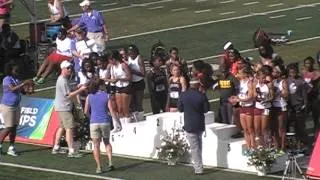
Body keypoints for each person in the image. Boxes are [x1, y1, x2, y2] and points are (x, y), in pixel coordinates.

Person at [52, 60, 87, 158]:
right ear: (63, 69)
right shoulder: (62, 80)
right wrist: (80, 90)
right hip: (64, 107)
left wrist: (76, 88)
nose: (70, 69)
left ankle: (56, 147)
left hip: (61, 106)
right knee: (69, 128)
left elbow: (69, 91)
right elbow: (68, 95)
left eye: (70, 68)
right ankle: (71, 150)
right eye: (68, 68)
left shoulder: (63, 79)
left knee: (62, 127)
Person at [0, 61, 33, 157]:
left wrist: (29, 89)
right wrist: (24, 84)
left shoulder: (16, 80)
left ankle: (11, 147)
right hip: (7, 106)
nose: (17, 71)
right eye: (15, 69)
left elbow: (22, 91)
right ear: (10, 70)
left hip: (16, 105)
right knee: (8, 127)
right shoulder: (7, 79)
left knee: (14, 127)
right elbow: (11, 89)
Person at [178, 78, 210, 175]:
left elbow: (180, 109)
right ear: (197, 86)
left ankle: (198, 168)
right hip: (199, 123)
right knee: (198, 146)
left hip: (189, 124)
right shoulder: (201, 96)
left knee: (195, 147)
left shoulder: (184, 95)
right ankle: (199, 165)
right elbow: (206, 109)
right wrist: (204, 94)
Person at [84, 78, 114, 174]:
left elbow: (85, 111)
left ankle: (98, 166)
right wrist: (117, 122)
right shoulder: (107, 96)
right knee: (107, 142)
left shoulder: (89, 96)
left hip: (94, 122)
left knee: (96, 145)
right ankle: (110, 162)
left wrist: (91, 118)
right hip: (105, 121)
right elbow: (111, 110)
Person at [287, 63, 309, 152]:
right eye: (291, 72)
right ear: (289, 73)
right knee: (293, 127)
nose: (293, 74)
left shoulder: (301, 81)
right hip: (291, 107)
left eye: (294, 72)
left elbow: (305, 95)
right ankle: (295, 145)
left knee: (300, 127)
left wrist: (305, 104)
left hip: (299, 106)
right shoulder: (287, 81)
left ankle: (304, 145)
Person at [106, 50, 131, 125]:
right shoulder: (112, 67)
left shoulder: (123, 65)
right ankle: (123, 126)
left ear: (114, 59)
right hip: (118, 87)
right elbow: (109, 77)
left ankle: (128, 127)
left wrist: (119, 79)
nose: (109, 61)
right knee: (119, 109)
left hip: (125, 87)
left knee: (125, 109)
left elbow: (129, 77)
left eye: (110, 60)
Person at [253, 65, 274, 146]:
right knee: (257, 128)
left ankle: (267, 145)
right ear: (258, 77)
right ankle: (260, 146)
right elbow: (254, 95)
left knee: (264, 128)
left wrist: (265, 100)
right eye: (262, 77)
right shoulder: (256, 83)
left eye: (265, 77)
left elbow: (272, 97)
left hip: (266, 108)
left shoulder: (269, 84)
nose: (264, 79)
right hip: (258, 107)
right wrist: (256, 98)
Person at [271, 64, 288, 153]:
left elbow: (286, 94)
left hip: (281, 106)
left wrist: (278, 93)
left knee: (281, 127)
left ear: (279, 73)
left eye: (275, 72)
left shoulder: (283, 82)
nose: (273, 73)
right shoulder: (273, 81)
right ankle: (276, 145)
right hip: (274, 106)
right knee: (274, 127)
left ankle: (283, 146)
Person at [127, 45, 145, 121]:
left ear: (135, 51)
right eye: (129, 52)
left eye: (132, 52)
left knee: (138, 103)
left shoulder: (139, 59)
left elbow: (143, 74)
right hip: (132, 83)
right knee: (132, 103)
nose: (130, 54)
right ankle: (135, 119)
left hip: (139, 82)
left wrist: (133, 71)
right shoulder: (128, 58)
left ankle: (140, 118)